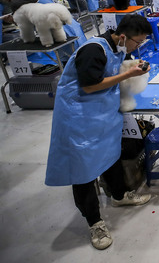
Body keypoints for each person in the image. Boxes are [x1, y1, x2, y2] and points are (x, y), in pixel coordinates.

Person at [45, 15, 152, 250]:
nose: (137, 46)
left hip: (102, 114)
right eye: (137, 42)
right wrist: (128, 75)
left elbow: (112, 72)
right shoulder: (93, 50)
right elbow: (90, 85)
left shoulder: (118, 47)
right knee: (83, 171)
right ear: (123, 36)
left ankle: (119, 195)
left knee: (110, 155)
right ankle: (94, 222)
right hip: (79, 118)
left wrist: (133, 66)